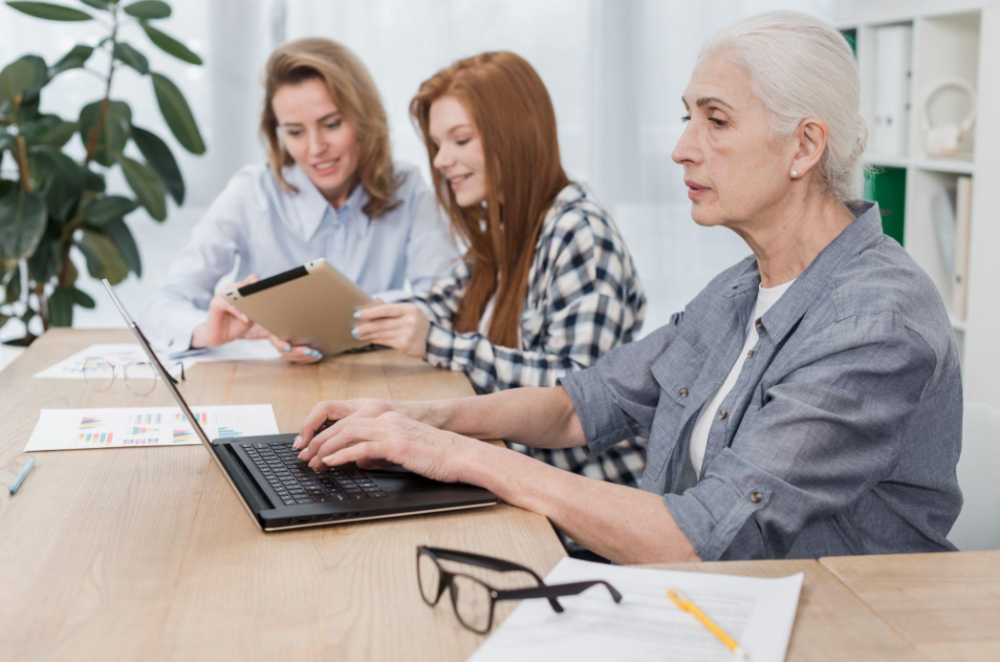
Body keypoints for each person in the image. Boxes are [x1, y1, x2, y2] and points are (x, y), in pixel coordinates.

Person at [292, 12, 963, 563]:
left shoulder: (875, 321)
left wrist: (456, 453)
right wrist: (419, 419)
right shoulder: (741, 289)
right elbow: (583, 402)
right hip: (706, 598)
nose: (681, 148)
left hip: (826, 625)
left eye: (716, 120)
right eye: (686, 117)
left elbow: (699, 535)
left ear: (804, 145)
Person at [349, 52, 647, 488]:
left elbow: (576, 395)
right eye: (437, 145)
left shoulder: (579, 232)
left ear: (515, 135)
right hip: (518, 474)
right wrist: (326, 321)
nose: (441, 160)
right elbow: (433, 309)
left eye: (461, 140)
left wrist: (438, 342)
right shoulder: (503, 226)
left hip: (584, 493)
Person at [141, 38, 457, 362]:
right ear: (277, 132)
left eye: (331, 124)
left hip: (378, 378)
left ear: (364, 118)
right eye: (295, 132)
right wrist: (207, 330)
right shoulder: (252, 192)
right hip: (274, 381)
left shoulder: (406, 186)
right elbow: (163, 304)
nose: (315, 147)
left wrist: (326, 316)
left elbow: (447, 300)